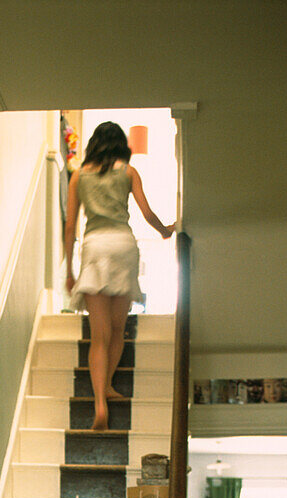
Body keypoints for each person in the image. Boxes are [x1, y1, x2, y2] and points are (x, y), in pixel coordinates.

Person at [65, 122, 175, 429]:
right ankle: (110, 384)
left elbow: (70, 226)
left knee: (98, 335)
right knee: (118, 329)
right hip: (123, 246)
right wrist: (165, 231)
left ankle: (100, 401)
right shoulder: (128, 172)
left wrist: (70, 270)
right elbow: (147, 212)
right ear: (120, 145)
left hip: (96, 247)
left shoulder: (78, 176)